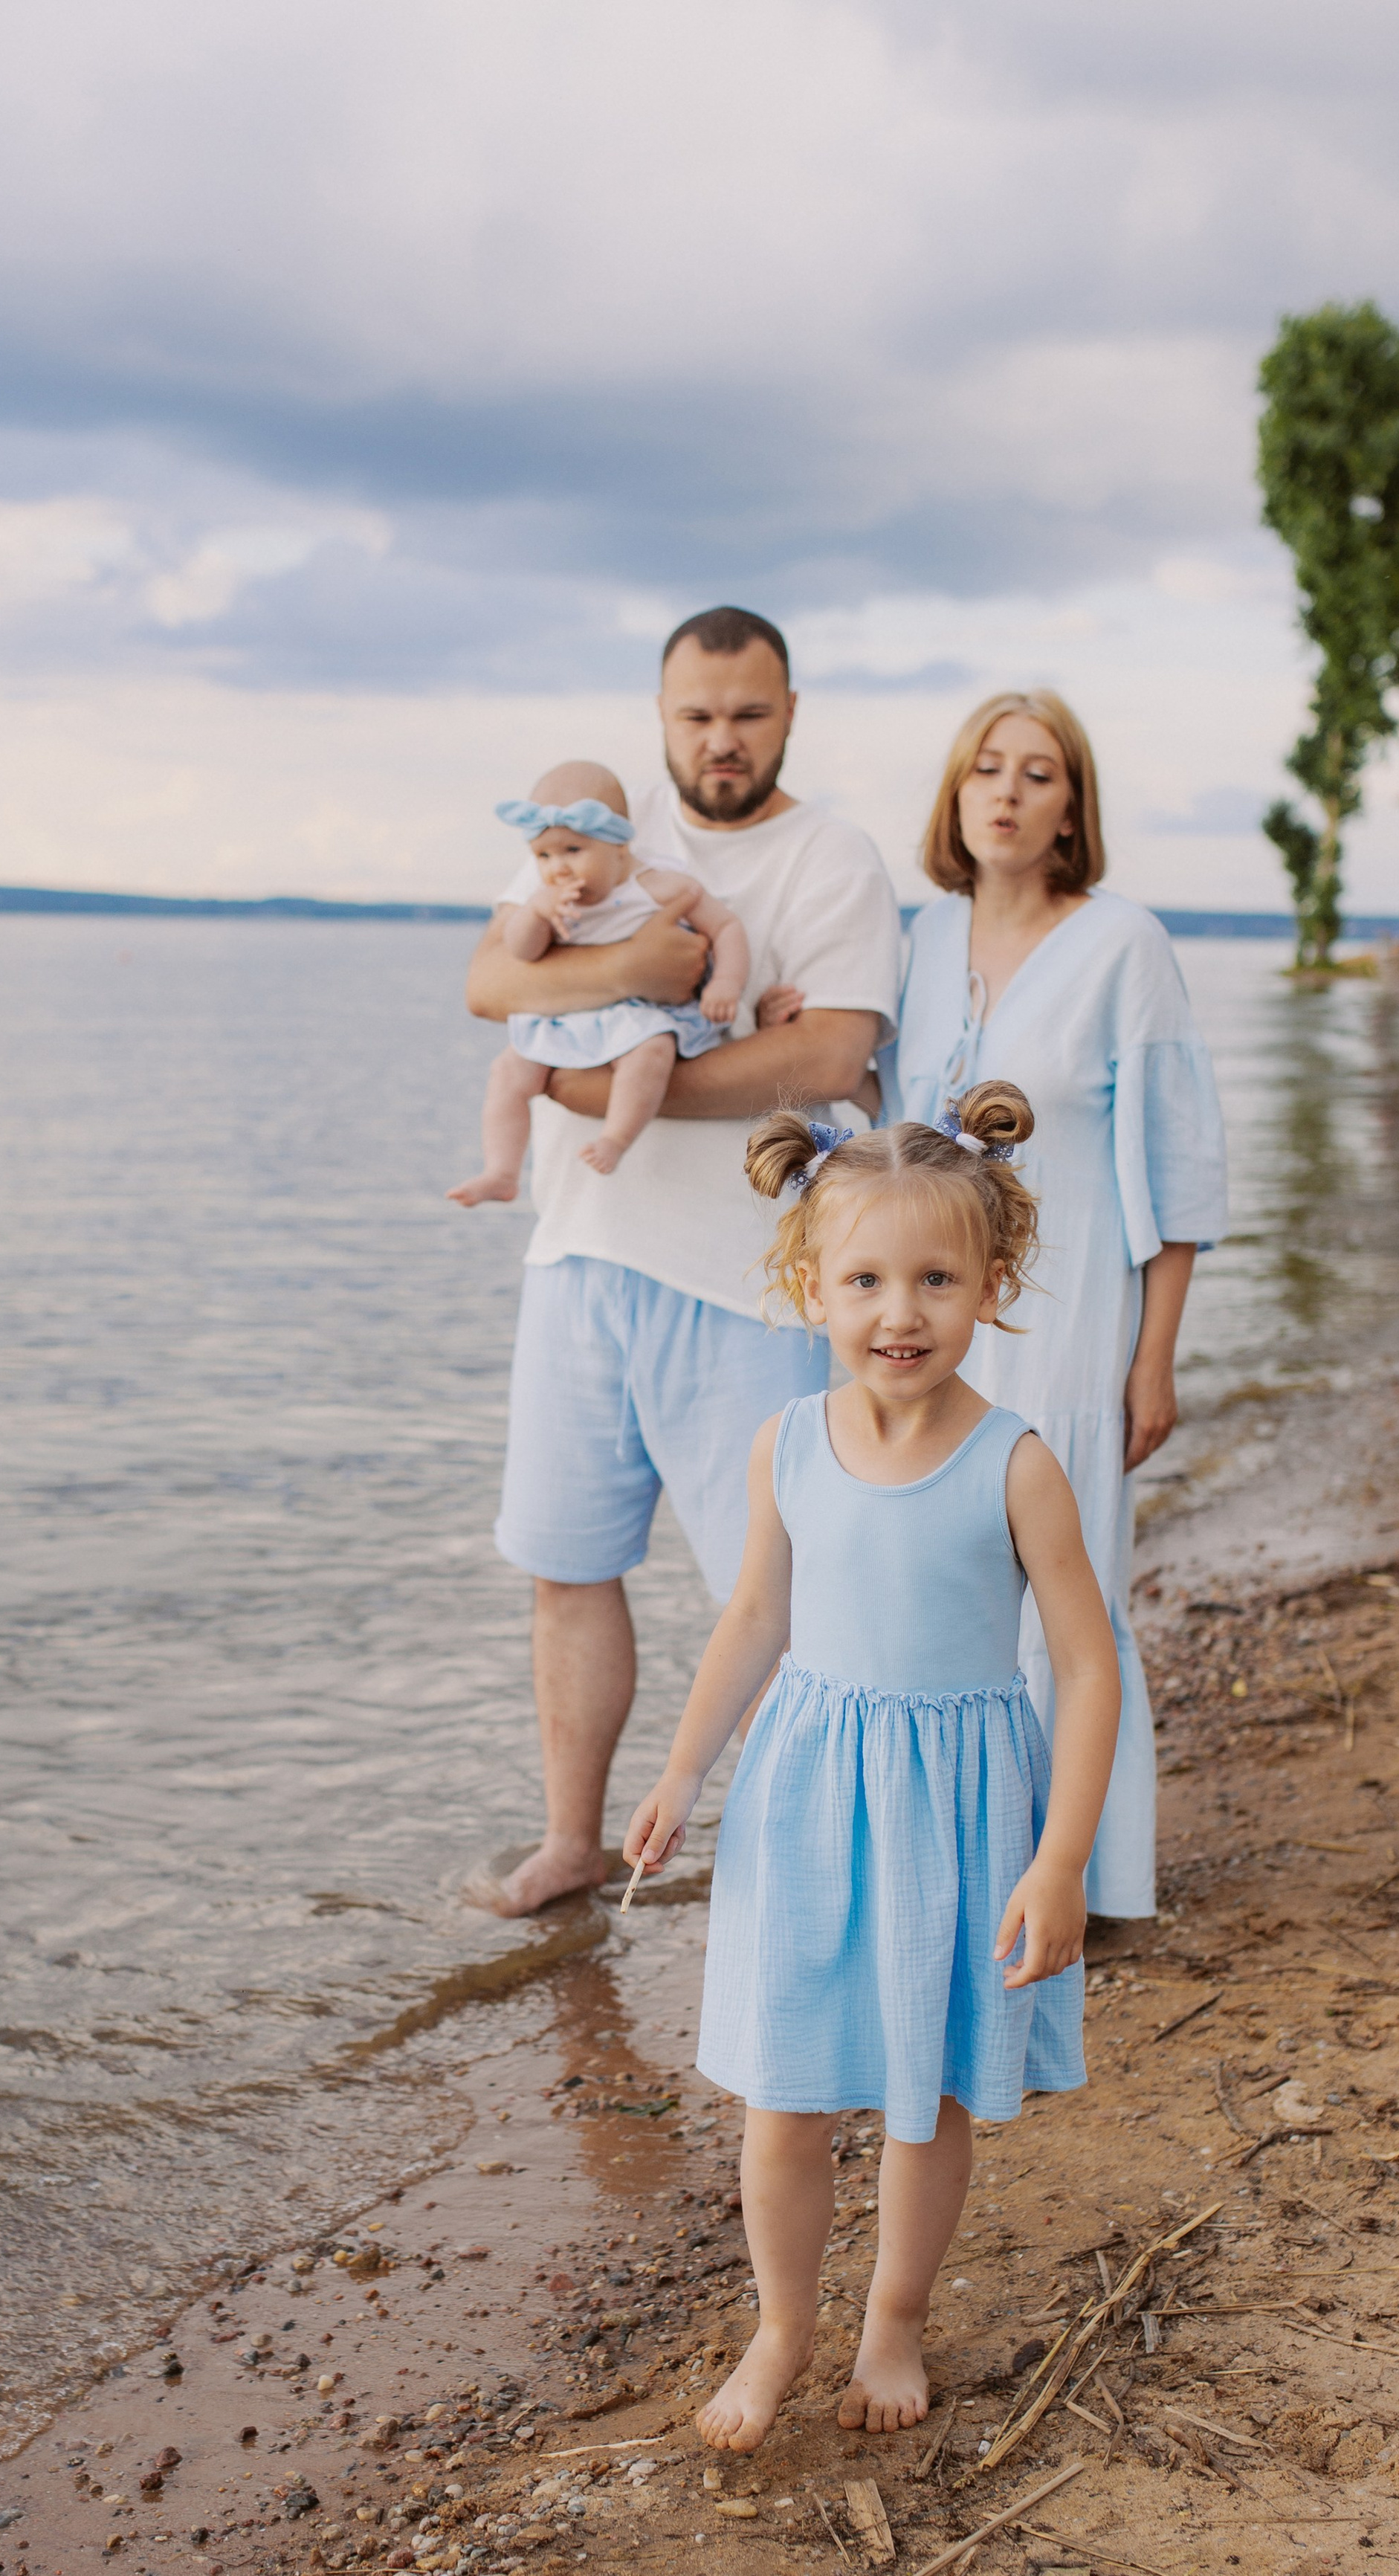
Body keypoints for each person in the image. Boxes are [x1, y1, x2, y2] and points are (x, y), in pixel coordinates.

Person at [623, 1088, 1121, 2453]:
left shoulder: (1014, 1468)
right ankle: (781, 2326)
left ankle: (894, 2315)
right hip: (803, 1799)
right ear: (810, 1286)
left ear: (993, 1286)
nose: (900, 1312)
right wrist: (678, 1774)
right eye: (865, 1280)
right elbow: (754, 1620)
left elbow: (1086, 1667)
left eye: (936, 1280)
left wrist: (1061, 1857)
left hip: (958, 1809)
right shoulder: (786, 1445)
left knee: (925, 2089)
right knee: (781, 2095)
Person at [460, 606, 902, 1920]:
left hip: (751, 1283)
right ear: (662, 719)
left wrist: (608, 1081)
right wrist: (634, 975)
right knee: (565, 1564)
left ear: (789, 714)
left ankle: (795, 1869)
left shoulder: (833, 859)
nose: (722, 739)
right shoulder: (602, 831)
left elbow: (829, 1059)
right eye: (697, 716)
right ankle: (573, 1844)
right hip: (581, 1259)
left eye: (748, 714)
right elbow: (489, 980)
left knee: (774, 1598)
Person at [883, 692, 1227, 1923]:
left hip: (1077, 1319)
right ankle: (972, 1872)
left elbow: (1180, 1168)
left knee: (1072, 1600)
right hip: (932, 1330)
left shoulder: (1124, 943)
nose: (1009, 792)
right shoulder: (919, 937)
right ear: (957, 794)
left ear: (1072, 806)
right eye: (988, 769)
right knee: (943, 1585)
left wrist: (1156, 1359)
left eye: (1039, 774)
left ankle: (1090, 1879)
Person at [447, 761, 749, 1203]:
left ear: (619, 847)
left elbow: (727, 928)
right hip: (572, 1013)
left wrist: (726, 982)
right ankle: (502, 1170)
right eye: (543, 856)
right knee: (508, 1071)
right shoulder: (546, 898)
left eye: (573, 850)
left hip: (643, 1012)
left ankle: (617, 1138)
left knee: (651, 1053)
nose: (558, 869)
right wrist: (536, 914)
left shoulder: (659, 886)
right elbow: (522, 951)